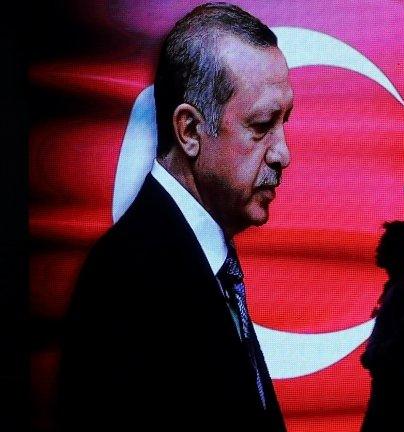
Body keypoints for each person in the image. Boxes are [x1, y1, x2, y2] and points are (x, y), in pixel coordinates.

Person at [56, 3, 292, 431]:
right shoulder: (127, 278)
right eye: (262, 124)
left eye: (285, 121)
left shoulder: (193, 260)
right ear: (189, 131)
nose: (283, 153)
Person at [361, 221, 404, 432]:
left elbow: (402, 343)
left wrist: (372, 356)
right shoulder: (400, 288)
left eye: (386, 243)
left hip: (393, 393)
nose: (379, 248)